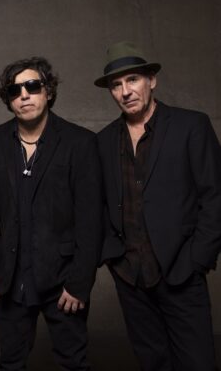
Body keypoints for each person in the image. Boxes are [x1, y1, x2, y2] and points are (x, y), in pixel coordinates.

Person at [95, 41, 221, 371]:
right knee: (152, 364)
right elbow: (99, 204)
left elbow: (215, 196)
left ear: (152, 80)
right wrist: (112, 257)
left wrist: (198, 259)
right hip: (130, 276)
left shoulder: (191, 126)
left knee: (198, 364)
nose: (125, 91)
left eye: (132, 80)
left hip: (181, 272)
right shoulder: (103, 141)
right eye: (116, 85)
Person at [0, 56, 102, 370]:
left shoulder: (81, 143)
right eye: (14, 90)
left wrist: (79, 282)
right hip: (11, 278)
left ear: (48, 91)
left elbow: (91, 221)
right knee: (10, 362)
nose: (24, 95)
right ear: (8, 99)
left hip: (63, 280)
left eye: (32, 86)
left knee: (74, 363)